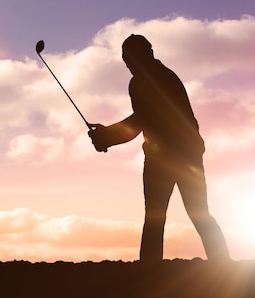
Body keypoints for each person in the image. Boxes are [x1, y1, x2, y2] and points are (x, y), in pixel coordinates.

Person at [88, 34, 230, 261]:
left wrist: (106, 138)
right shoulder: (161, 76)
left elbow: (141, 120)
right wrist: (107, 136)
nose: (127, 64)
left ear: (142, 56)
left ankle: (151, 270)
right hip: (184, 154)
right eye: (125, 60)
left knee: (157, 216)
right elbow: (142, 119)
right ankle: (222, 264)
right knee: (195, 213)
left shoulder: (145, 81)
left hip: (170, 156)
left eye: (129, 59)